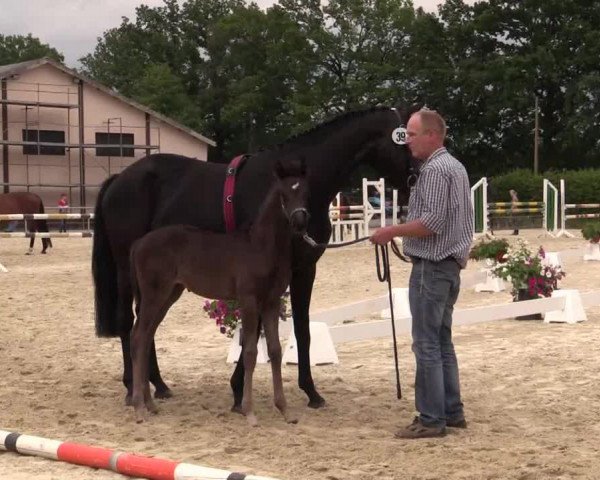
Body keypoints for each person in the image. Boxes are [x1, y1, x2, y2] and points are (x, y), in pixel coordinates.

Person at [370, 108, 473, 439]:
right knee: (442, 341)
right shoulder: (455, 168)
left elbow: (432, 223)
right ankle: (451, 410)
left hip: (432, 265)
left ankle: (431, 418)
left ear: (432, 135)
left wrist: (391, 231)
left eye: (413, 135)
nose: (408, 142)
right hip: (449, 265)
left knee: (426, 343)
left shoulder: (435, 171)